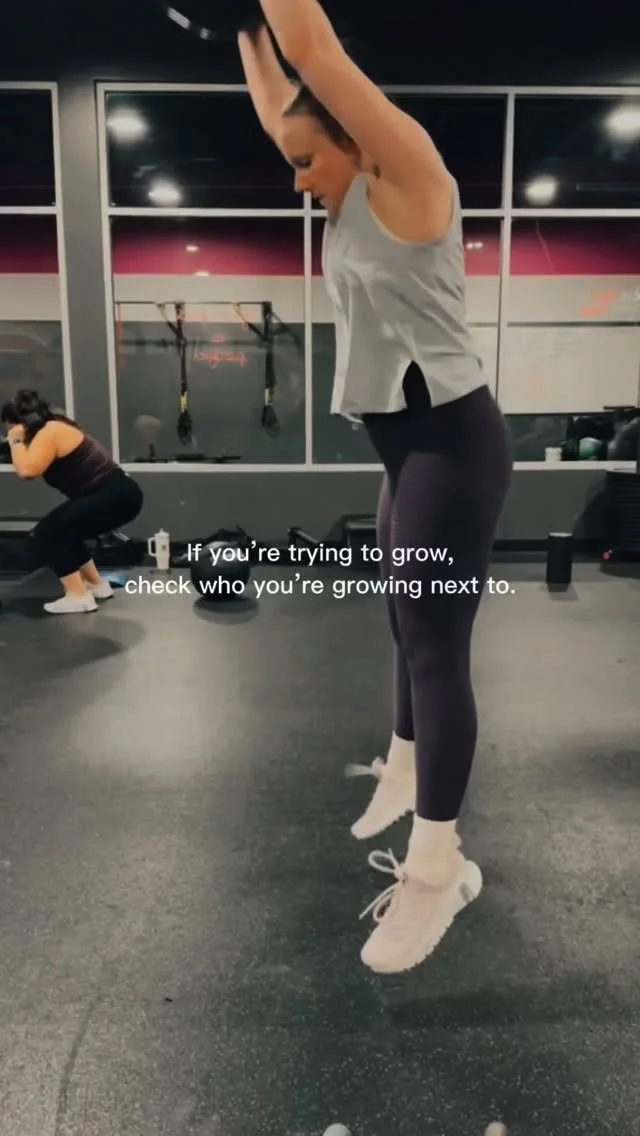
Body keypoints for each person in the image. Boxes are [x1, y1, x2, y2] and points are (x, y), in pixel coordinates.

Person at [238, 1, 514, 977]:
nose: (297, 178)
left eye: (308, 162)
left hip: (453, 446)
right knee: (403, 623)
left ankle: (439, 868)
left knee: (435, 648)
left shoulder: (413, 178)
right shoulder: (349, 194)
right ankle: (405, 766)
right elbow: (287, 99)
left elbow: (314, 48)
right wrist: (253, 49)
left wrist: (288, 39)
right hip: (406, 453)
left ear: (359, 144)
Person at [1, 389, 143, 615]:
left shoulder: (50, 431)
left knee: (48, 532)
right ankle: (96, 585)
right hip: (120, 494)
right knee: (68, 531)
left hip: (114, 494)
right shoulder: (51, 428)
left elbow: (27, 470)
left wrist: (16, 440)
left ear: (22, 422)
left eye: (9, 427)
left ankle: (78, 597)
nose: (8, 433)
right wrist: (15, 443)